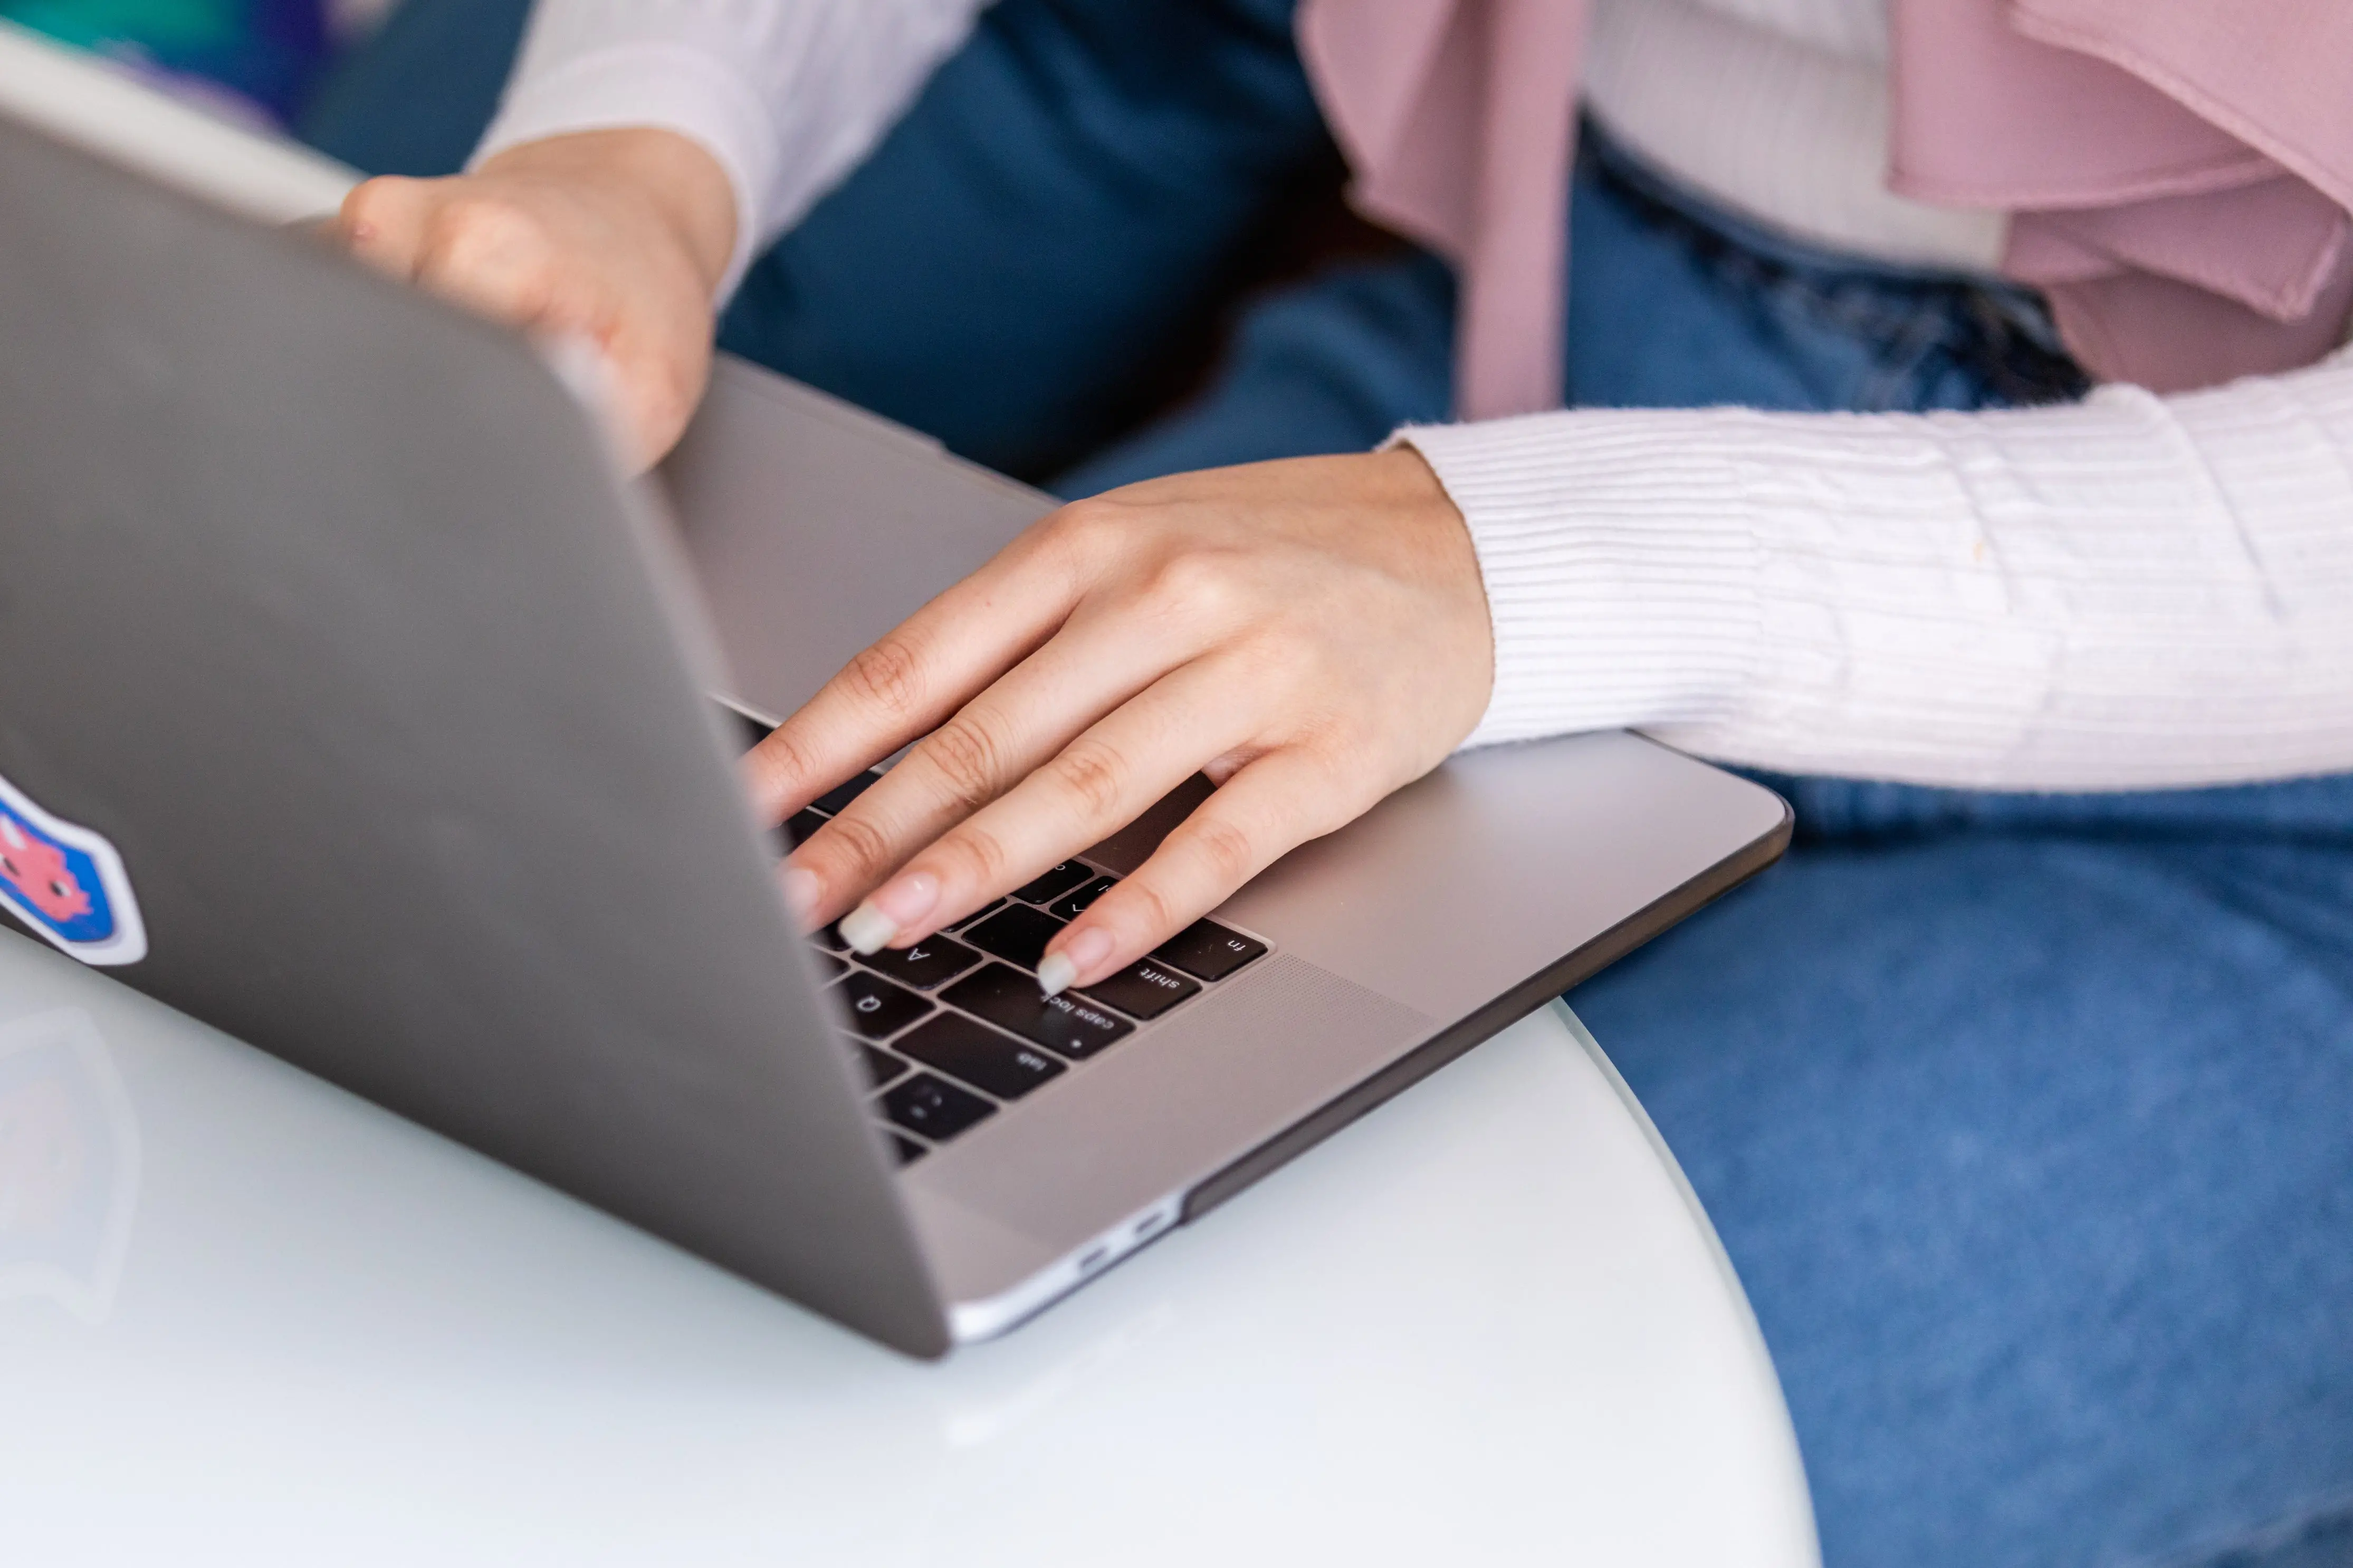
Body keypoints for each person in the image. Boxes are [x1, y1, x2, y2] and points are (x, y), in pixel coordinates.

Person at [300, 4, 2353, 1564]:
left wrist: (1508, 569)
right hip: (1556, 348)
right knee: (645, 1127)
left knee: (1248, 1480)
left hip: (2269, 749)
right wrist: (635, 148)